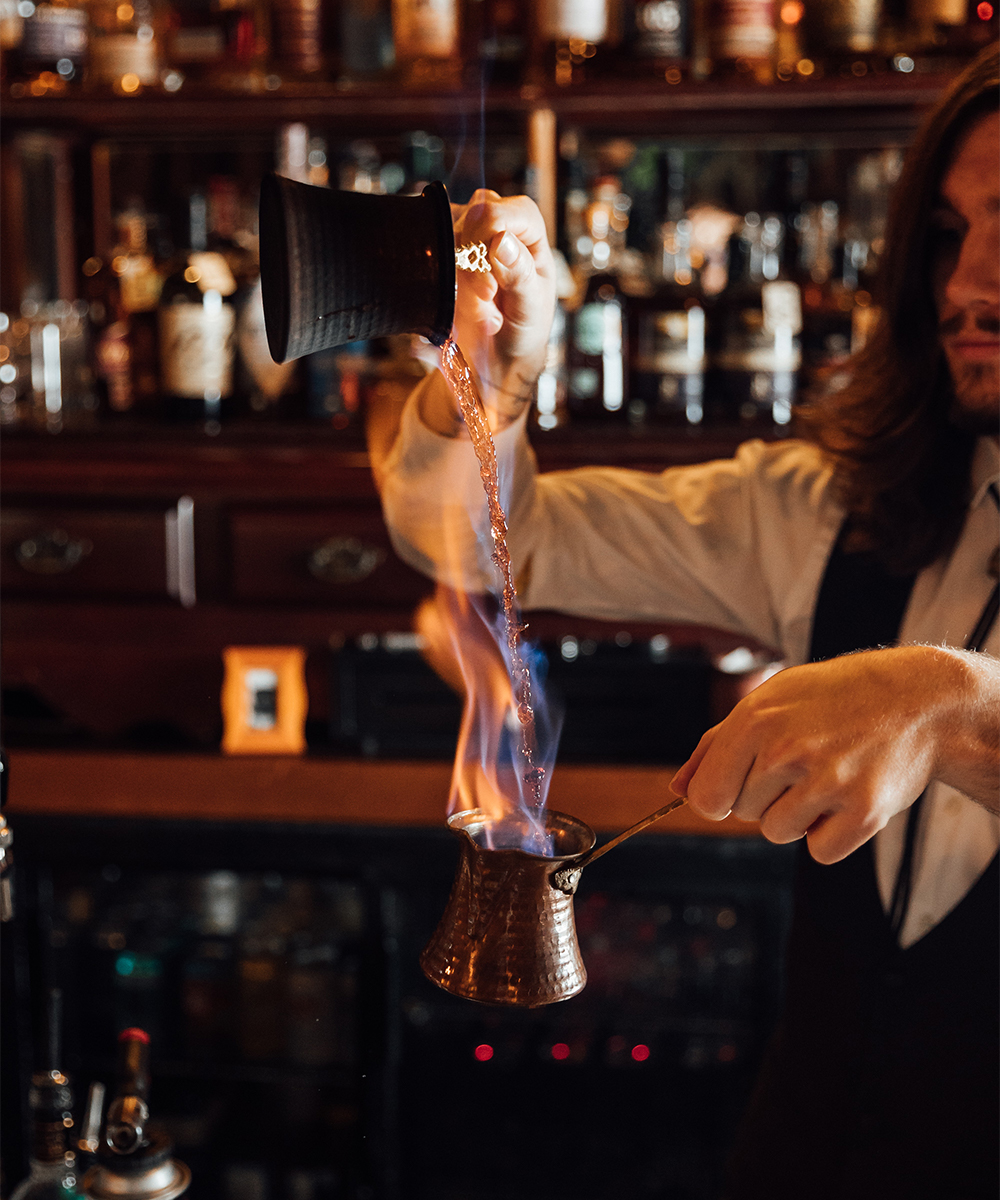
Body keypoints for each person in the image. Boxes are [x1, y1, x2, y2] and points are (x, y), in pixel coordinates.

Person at [377, 47, 1000, 1200]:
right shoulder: (835, 510)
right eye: (948, 237)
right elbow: (475, 536)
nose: (968, 286)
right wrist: (492, 383)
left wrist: (951, 706)